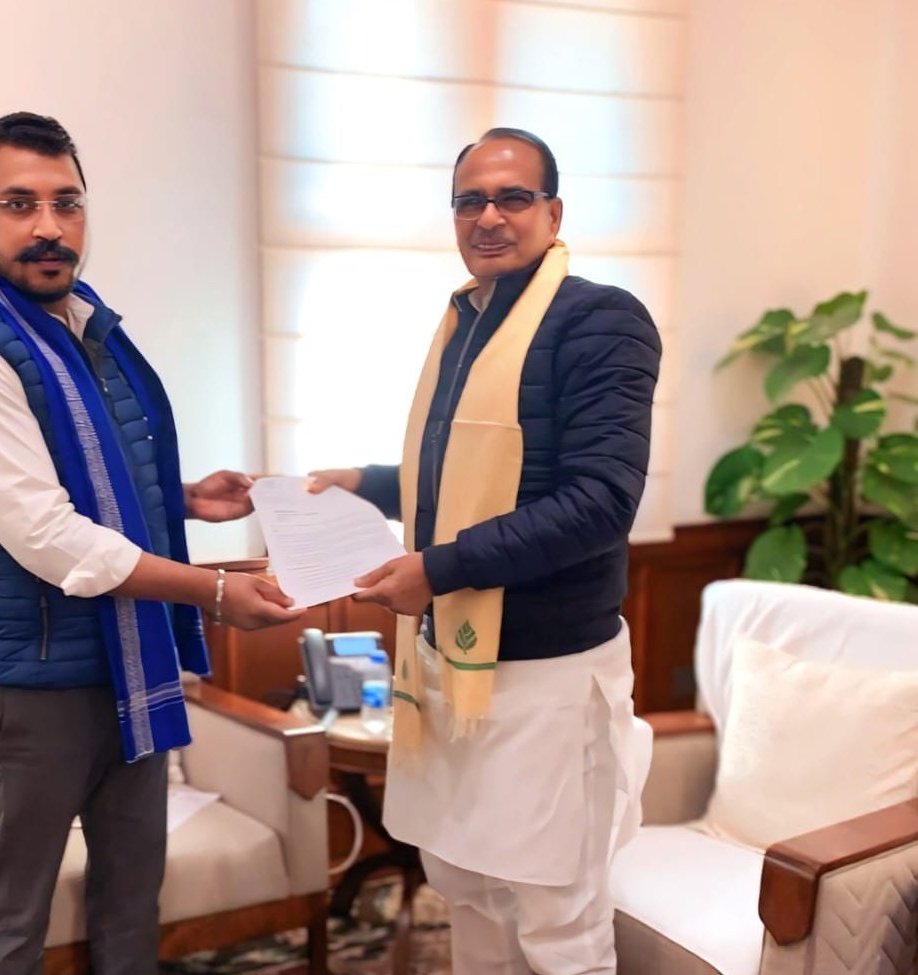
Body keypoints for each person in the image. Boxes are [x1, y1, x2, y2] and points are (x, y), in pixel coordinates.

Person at [0, 111, 299, 975]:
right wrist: (216, 593)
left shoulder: (84, 328)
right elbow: (48, 533)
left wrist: (182, 499)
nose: (48, 226)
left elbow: (92, 477)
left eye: (66, 202)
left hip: (127, 656)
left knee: (131, 896)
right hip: (31, 680)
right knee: (18, 911)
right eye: (19, 203)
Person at [309, 128, 660, 975]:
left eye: (513, 197)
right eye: (471, 200)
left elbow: (598, 502)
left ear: (553, 211)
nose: (490, 216)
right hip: (455, 669)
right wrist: (359, 481)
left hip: (546, 675)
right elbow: (459, 477)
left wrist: (436, 568)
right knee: (467, 888)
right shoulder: (467, 320)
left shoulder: (600, 320)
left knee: (556, 917)